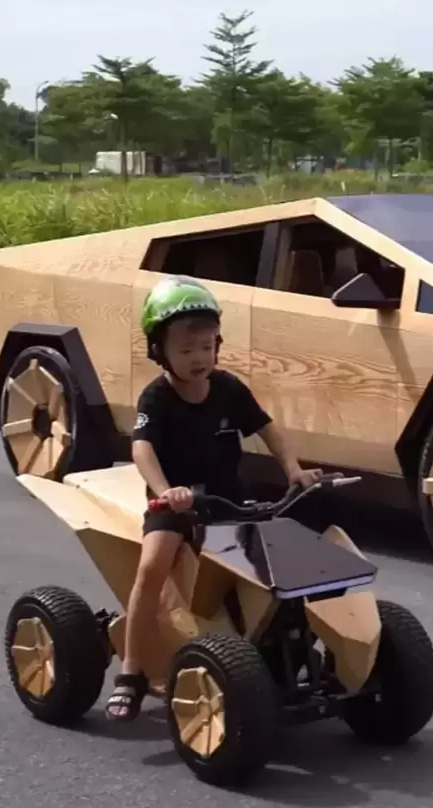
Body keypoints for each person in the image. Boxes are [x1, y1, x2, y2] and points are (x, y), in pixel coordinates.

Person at [105, 274, 321, 721]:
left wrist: (294, 470)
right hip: (175, 505)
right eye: (186, 350)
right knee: (151, 569)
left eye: (206, 346)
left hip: (229, 499)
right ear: (159, 351)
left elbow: (267, 428)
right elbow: (141, 447)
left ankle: (279, 648)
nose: (199, 358)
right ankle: (131, 672)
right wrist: (166, 493)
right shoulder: (157, 397)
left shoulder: (228, 388)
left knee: (278, 563)